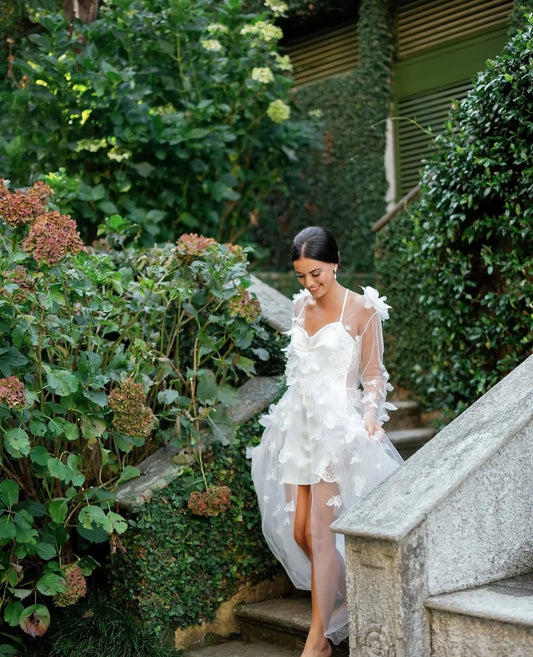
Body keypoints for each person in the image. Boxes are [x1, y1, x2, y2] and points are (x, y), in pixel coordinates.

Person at [250, 226, 403, 657]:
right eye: (301, 277)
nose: (309, 285)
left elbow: (373, 374)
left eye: (315, 274)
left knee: (320, 532)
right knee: (299, 532)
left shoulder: (362, 309)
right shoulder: (300, 306)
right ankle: (350, 597)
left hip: (336, 428)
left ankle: (317, 641)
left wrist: (370, 416)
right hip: (297, 425)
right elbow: (298, 372)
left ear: (334, 262)